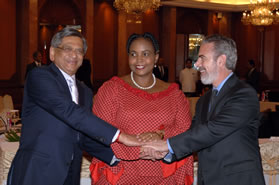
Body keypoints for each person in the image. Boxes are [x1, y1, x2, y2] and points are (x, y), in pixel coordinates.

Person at [7, 27, 139, 185]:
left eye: (79, 51)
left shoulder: (85, 91)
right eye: (67, 49)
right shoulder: (39, 76)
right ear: (52, 53)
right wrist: (121, 136)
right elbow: (69, 111)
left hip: (70, 175)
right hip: (36, 172)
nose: (74, 55)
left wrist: (124, 155)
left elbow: (83, 137)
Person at [142, 34, 265, 185]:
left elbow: (214, 129)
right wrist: (166, 152)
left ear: (221, 60)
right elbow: (194, 132)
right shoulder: (204, 99)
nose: (197, 64)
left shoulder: (244, 94)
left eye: (202, 58)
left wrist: (168, 145)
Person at [90, 32, 193, 185]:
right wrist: (141, 149)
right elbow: (100, 130)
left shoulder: (174, 93)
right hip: (121, 171)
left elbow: (185, 129)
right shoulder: (112, 89)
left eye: (145, 54)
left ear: (156, 57)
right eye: (133, 54)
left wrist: (160, 135)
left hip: (164, 173)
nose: (139, 60)